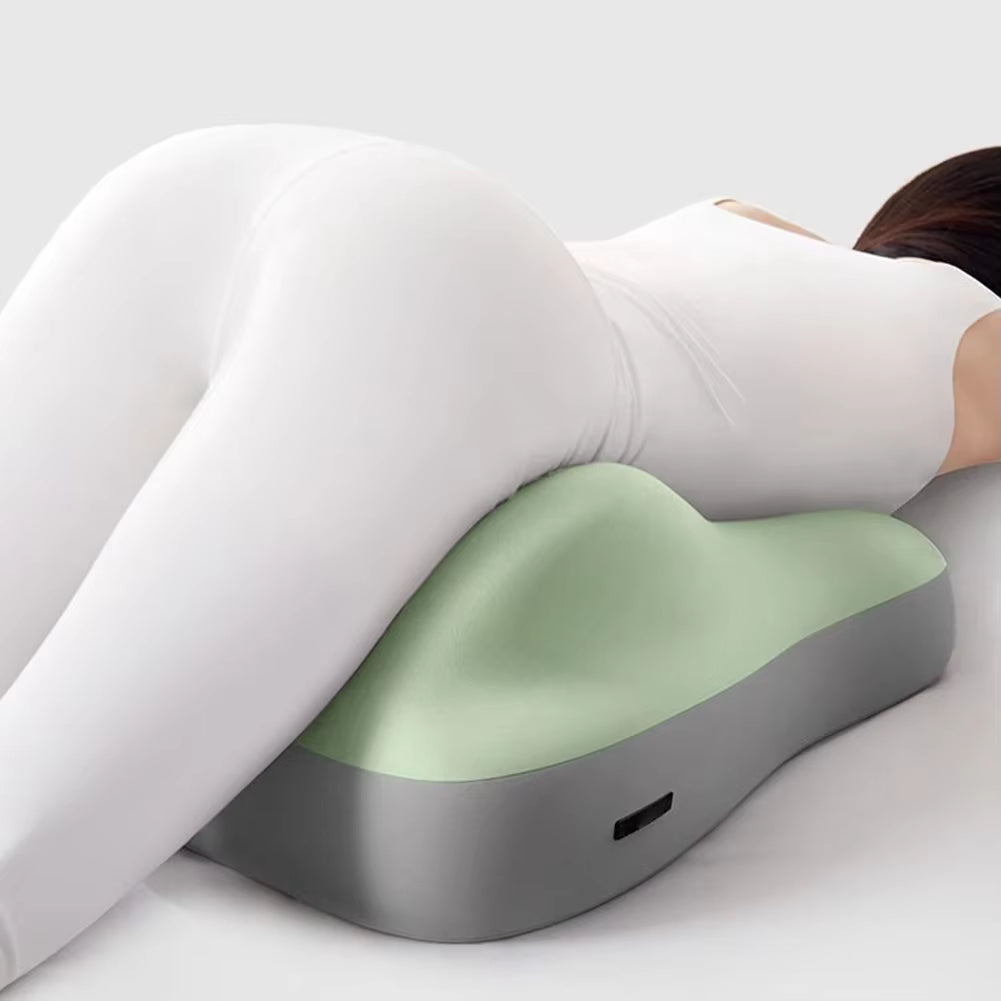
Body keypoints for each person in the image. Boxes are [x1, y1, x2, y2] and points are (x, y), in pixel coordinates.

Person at [0, 126, 997, 989]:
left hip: (236, 185)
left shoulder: (745, 222)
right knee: (29, 843)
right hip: (450, 315)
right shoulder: (974, 346)